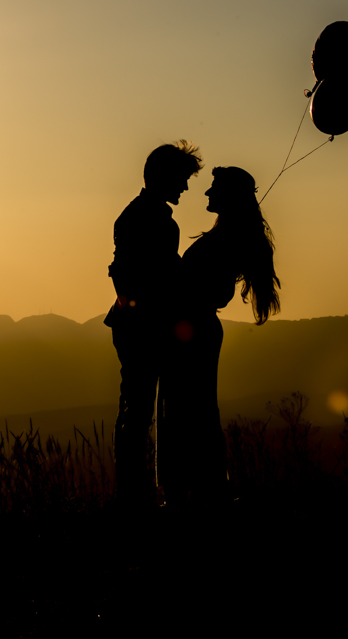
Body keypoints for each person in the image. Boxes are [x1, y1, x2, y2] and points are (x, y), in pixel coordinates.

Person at [158, 165, 280, 504]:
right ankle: (203, 488)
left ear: (229, 196)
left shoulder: (224, 240)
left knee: (185, 410)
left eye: (215, 188)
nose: (208, 193)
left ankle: (194, 490)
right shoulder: (231, 236)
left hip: (192, 329)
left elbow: (199, 287)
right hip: (197, 328)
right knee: (195, 408)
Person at [105, 140, 204, 507]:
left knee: (138, 409)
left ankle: (136, 494)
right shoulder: (144, 218)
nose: (186, 187)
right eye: (182, 179)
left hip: (141, 325)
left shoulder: (149, 216)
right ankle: (132, 497)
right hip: (141, 329)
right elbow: (126, 274)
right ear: (163, 177)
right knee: (137, 411)